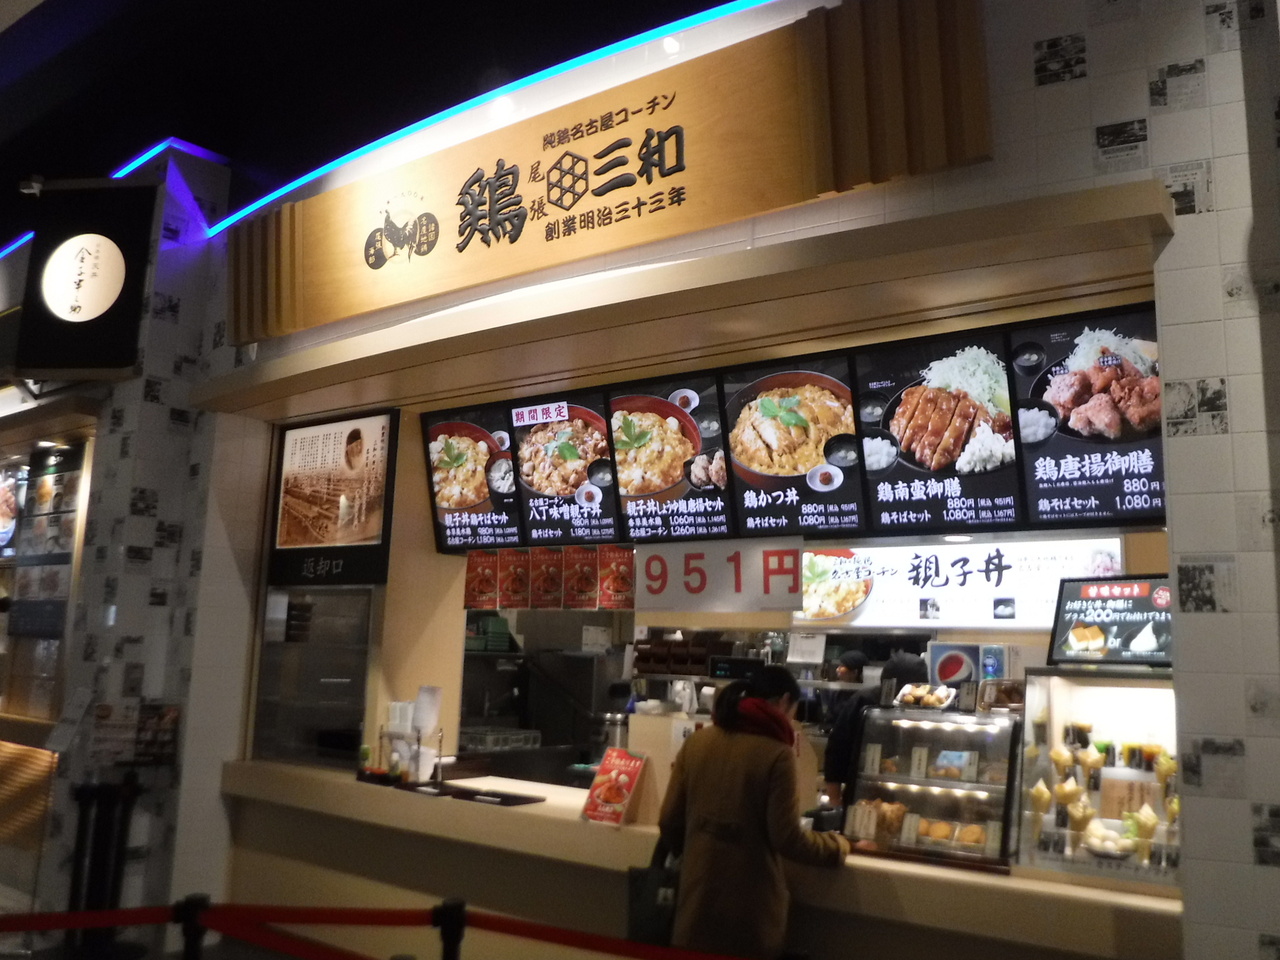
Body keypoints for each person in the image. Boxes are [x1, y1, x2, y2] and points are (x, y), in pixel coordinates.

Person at [658, 665, 850, 960]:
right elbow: (787, 838)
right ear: (784, 701)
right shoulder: (777, 754)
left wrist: (697, 854)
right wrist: (837, 847)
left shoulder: (698, 741)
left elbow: (669, 819)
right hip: (749, 913)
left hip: (695, 903)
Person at [823, 651, 928, 806]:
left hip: (912, 795)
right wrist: (834, 800)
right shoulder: (863, 700)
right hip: (863, 793)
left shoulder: (927, 707)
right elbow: (837, 748)